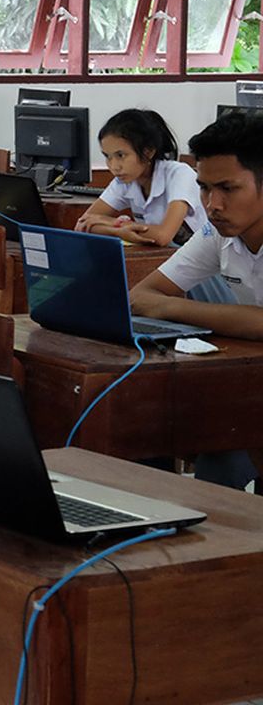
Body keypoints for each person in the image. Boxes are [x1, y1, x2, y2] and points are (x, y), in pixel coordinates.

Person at [129, 111, 263, 492]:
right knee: (178, 423)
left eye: (228, 189)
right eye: (204, 188)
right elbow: (141, 297)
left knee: (224, 428)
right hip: (250, 382)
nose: (212, 203)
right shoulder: (217, 232)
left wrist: (173, 308)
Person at [75, 109, 206, 246]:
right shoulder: (124, 181)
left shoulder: (179, 175)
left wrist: (113, 224)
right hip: (164, 258)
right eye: (107, 156)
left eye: (121, 155)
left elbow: (163, 236)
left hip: (205, 262)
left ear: (148, 152)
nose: (114, 166)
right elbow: (83, 224)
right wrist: (119, 230)